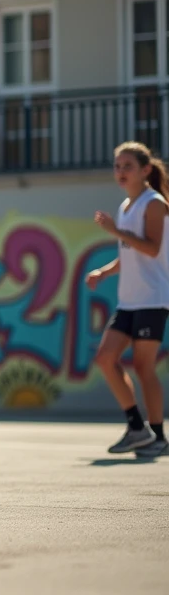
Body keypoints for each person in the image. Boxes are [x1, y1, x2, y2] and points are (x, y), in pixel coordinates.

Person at [86, 141, 169, 457]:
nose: (120, 172)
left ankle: (159, 436)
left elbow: (151, 248)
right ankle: (138, 428)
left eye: (127, 166)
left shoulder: (154, 203)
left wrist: (114, 231)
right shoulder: (126, 205)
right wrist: (103, 272)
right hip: (128, 301)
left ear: (146, 170)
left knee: (144, 368)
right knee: (105, 358)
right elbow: (129, 254)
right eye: (117, 166)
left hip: (153, 299)